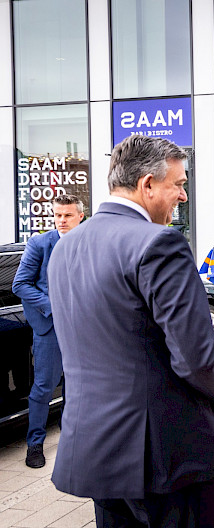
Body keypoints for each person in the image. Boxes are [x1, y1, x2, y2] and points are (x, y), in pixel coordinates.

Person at [47, 135, 214, 527]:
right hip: (168, 456)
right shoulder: (160, 242)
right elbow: (197, 358)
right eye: (179, 184)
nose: (183, 196)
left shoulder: (66, 246)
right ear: (147, 185)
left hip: (98, 453)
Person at [12, 194, 84, 469]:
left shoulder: (88, 245)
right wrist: (55, 307)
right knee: (43, 388)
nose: (62, 220)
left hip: (82, 328)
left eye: (67, 215)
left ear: (80, 216)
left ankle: (72, 444)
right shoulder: (40, 244)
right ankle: (35, 445)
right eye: (57, 215)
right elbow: (20, 285)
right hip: (50, 328)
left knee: (76, 388)